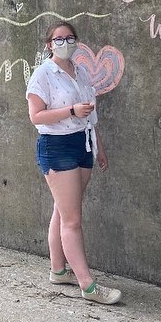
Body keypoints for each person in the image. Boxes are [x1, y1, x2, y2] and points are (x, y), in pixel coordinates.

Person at [26, 21, 121, 305]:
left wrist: (99, 148)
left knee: (62, 209)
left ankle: (58, 270)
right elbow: (36, 117)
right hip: (57, 146)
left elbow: (90, 116)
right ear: (48, 45)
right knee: (72, 219)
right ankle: (88, 285)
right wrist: (70, 110)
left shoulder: (81, 73)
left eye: (70, 38)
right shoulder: (43, 74)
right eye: (58, 39)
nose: (65, 43)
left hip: (83, 143)